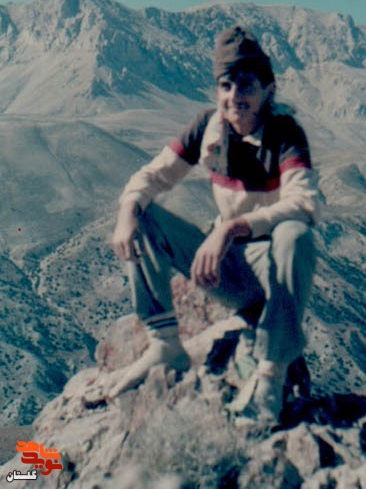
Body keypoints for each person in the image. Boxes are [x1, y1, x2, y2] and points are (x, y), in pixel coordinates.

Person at [111, 25, 318, 423]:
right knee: (143, 214)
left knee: (296, 233)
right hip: (228, 270)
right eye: (226, 85)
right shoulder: (209, 128)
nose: (235, 96)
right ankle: (164, 343)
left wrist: (231, 228)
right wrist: (127, 212)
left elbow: (304, 202)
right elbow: (152, 175)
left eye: (246, 86)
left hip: (272, 270)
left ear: (268, 90)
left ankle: (271, 376)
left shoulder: (284, 134)